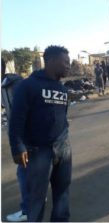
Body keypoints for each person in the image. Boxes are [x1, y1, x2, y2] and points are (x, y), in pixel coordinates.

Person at [8, 45, 72, 222]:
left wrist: (64, 138)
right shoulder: (28, 86)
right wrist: (17, 146)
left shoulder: (62, 89)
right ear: (51, 61)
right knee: (36, 198)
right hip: (38, 151)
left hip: (63, 148)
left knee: (62, 193)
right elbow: (16, 119)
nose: (69, 65)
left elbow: (62, 116)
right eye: (65, 62)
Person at [2, 58, 28, 222]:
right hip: (21, 133)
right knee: (29, 171)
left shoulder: (14, 84)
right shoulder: (6, 84)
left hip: (24, 135)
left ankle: (27, 209)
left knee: (23, 172)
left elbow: (24, 111)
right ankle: (36, 198)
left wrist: (18, 142)